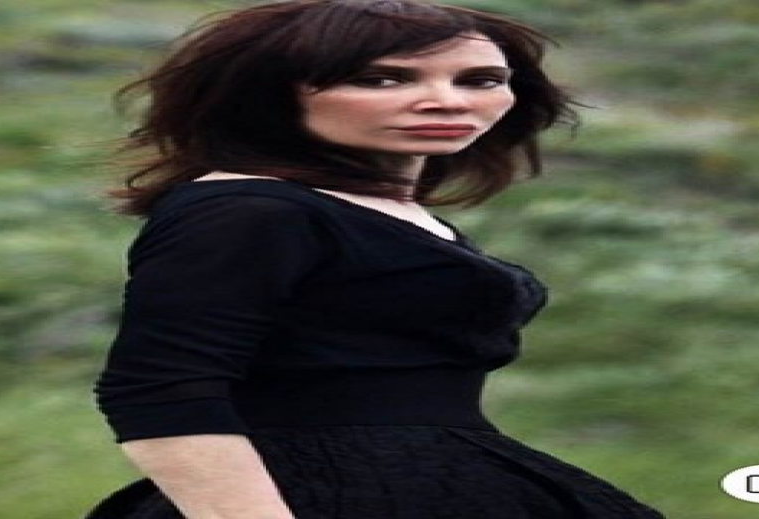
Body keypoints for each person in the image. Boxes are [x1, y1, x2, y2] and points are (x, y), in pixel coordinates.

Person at [85, 1, 666, 518]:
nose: (446, 101)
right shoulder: (247, 209)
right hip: (313, 492)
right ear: (271, 93)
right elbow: (160, 390)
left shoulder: (379, 208)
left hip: (443, 475)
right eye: (382, 79)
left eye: (480, 80)